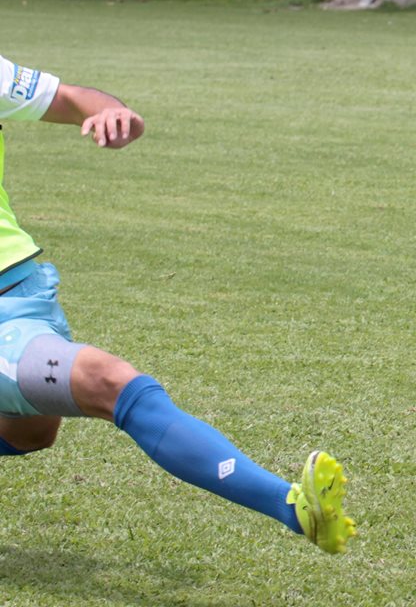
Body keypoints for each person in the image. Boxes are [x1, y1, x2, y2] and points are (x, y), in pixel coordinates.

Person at [0, 52, 356, 554]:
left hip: (27, 292)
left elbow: (76, 99)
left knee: (31, 433)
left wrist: (108, 113)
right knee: (111, 382)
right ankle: (292, 506)